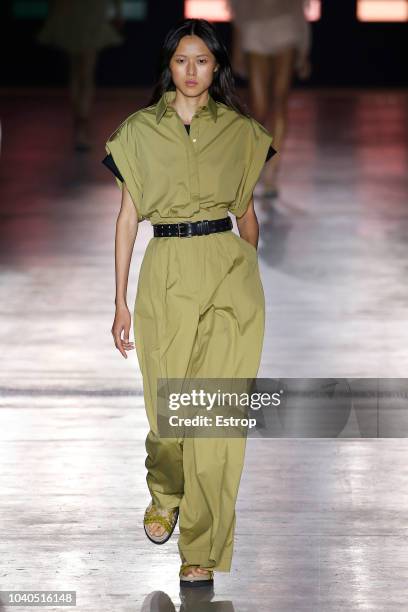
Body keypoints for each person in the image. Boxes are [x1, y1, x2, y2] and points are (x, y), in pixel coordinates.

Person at [102, 18, 276, 588]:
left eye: (203, 60)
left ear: (217, 66)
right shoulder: (138, 132)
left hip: (227, 273)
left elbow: (248, 217)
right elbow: (127, 219)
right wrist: (121, 301)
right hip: (167, 271)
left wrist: (245, 275)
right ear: (169, 66)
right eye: (182, 60)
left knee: (217, 420)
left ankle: (199, 548)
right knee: (169, 411)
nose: (193, 71)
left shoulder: (241, 131)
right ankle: (165, 492)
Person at [228, 0, 312, 199]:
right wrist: (237, 48)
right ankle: (257, 165)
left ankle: (271, 173)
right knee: (259, 108)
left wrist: (303, 48)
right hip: (255, 27)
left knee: (279, 101)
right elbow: (238, 6)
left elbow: (300, 6)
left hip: (286, 26)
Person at [36, 0, 124, 151]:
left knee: (77, 72)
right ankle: (81, 124)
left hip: (73, 9)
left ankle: (80, 123)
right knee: (85, 74)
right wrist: (118, 11)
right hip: (87, 10)